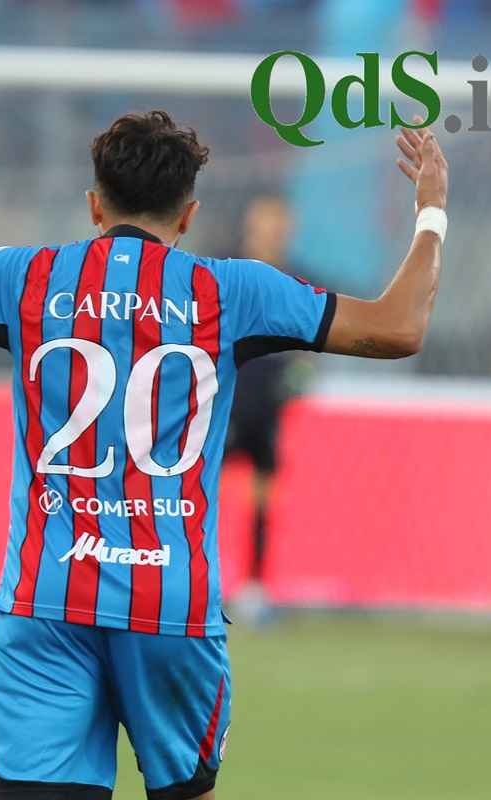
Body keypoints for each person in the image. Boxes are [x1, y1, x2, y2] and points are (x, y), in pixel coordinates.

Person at [0, 107, 447, 799]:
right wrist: (430, 212)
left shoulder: (22, 277)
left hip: (46, 598)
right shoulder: (234, 290)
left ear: (94, 206)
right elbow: (398, 326)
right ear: (188, 215)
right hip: (171, 604)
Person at [223, 195, 314, 625]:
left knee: (262, 501)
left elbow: (307, 344)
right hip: (226, 403)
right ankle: (186, 581)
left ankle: (254, 589)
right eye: (265, 225)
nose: (272, 234)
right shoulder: (226, 273)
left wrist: (299, 375)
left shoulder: (296, 281)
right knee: (193, 495)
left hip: (267, 407)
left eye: (279, 226)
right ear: (250, 227)